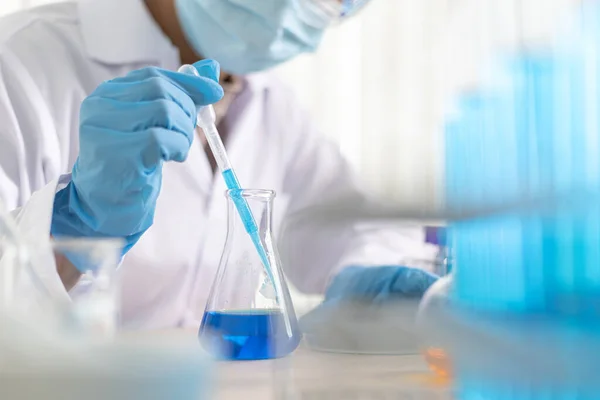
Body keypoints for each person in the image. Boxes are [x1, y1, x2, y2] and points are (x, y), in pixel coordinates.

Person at [0, 0, 439, 330]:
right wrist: (74, 225)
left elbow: (354, 225)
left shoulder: (270, 102)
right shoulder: (17, 61)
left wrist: (366, 274)